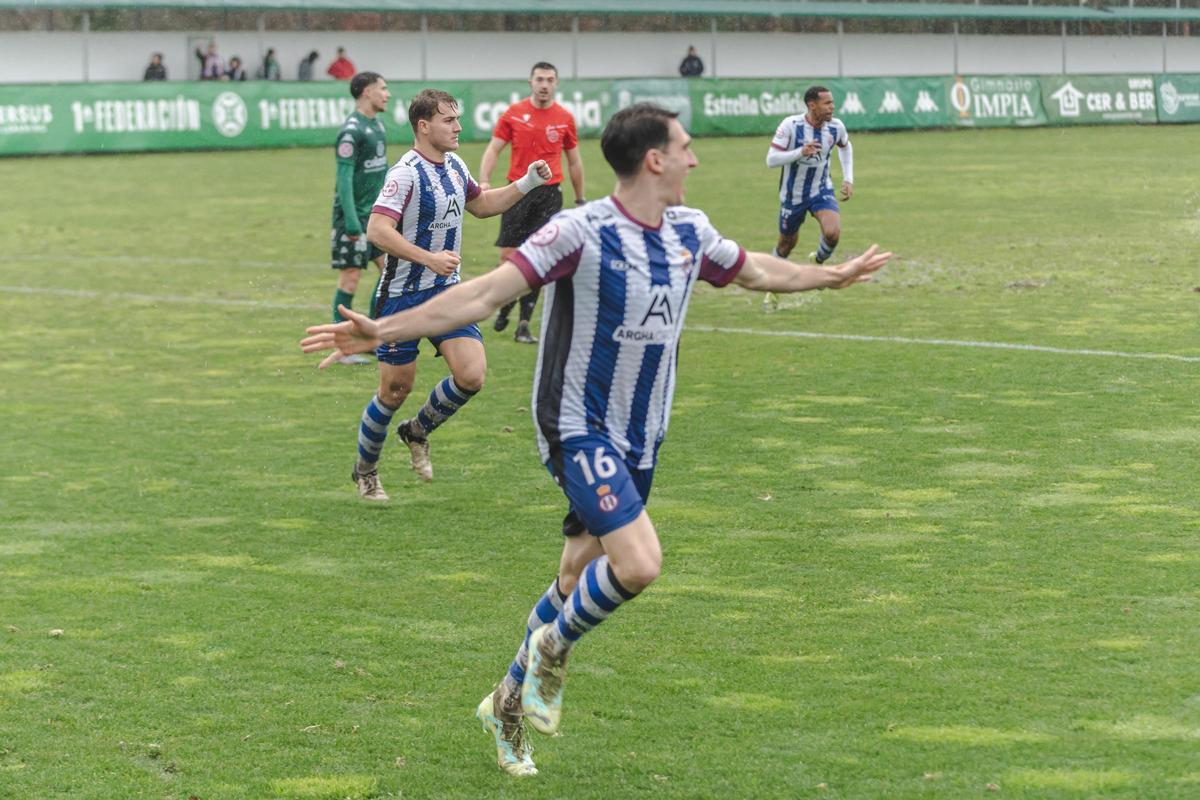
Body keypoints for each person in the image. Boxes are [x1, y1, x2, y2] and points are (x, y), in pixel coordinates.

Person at [300, 103, 891, 775]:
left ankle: (506, 705)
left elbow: (757, 269)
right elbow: (483, 294)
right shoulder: (577, 232)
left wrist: (832, 276)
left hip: (643, 436)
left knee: (576, 575)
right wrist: (387, 329)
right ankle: (552, 651)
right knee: (638, 563)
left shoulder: (690, 231)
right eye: (686, 148)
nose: (695, 159)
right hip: (577, 426)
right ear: (655, 159)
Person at [330, 88, 551, 501]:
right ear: (423, 126)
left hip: (447, 292)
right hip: (401, 296)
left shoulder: (454, 166)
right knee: (395, 390)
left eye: (457, 119)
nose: (458, 127)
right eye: (449, 120)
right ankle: (366, 470)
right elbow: (378, 230)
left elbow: (482, 205)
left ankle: (417, 431)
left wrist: (527, 182)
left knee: (472, 375)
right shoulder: (405, 174)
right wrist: (428, 258)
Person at [478, 61, 585, 344]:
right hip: (518, 191)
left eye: (550, 79)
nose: (544, 84)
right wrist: (485, 180)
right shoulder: (514, 114)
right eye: (540, 79)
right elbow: (493, 148)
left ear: (556, 84)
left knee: (540, 258)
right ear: (530, 81)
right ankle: (506, 304)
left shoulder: (565, 117)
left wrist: (580, 197)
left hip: (549, 195)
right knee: (508, 258)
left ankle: (523, 323)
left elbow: (574, 161)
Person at [763, 84, 854, 308]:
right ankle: (772, 288)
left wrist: (848, 178)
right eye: (827, 103)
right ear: (811, 105)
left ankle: (818, 260)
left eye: (832, 102)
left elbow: (845, 146)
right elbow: (771, 159)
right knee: (786, 245)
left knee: (832, 233)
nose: (832, 107)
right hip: (792, 195)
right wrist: (799, 152)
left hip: (821, 189)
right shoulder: (791, 126)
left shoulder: (836, 127)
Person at [328, 72, 392, 366]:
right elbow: (343, 181)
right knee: (351, 279)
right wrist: (352, 223)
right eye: (383, 88)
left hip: (375, 219)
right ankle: (342, 348)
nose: (387, 94)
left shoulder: (377, 125)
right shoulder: (352, 131)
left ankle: (369, 337)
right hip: (353, 219)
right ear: (367, 92)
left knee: (389, 274)